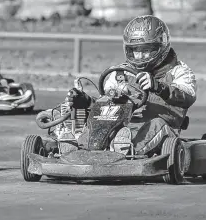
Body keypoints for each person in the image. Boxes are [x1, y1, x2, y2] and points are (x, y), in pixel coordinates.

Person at [66, 15, 197, 156]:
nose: (139, 56)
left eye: (145, 50)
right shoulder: (120, 73)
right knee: (99, 114)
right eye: (135, 50)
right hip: (122, 125)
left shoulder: (179, 71)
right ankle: (80, 148)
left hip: (162, 127)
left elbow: (188, 96)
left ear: (161, 46)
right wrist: (85, 102)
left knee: (157, 124)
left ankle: (127, 150)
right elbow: (107, 105)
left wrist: (159, 87)